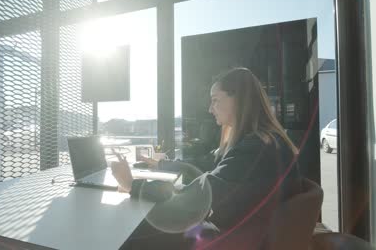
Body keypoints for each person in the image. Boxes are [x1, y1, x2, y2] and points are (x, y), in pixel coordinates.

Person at [112, 68, 303, 249]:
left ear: (239, 100)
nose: (210, 109)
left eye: (215, 100)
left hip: (237, 240)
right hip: (251, 232)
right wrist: (161, 163)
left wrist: (132, 185)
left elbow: (195, 198)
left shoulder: (255, 148)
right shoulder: (261, 141)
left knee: (140, 231)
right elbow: (206, 163)